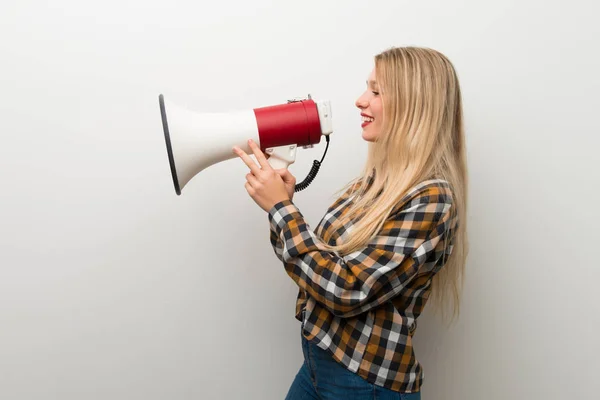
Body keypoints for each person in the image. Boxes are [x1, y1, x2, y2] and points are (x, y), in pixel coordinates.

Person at [232, 46, 468, 400]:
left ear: (414, 105)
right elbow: (316, 266)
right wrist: (280, 204)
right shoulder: (373, 183)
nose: (360, 100)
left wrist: (282, 209)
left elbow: (346, 290)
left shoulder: (432, 199)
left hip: (363, 384)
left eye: (376, 91)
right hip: (319, 366)